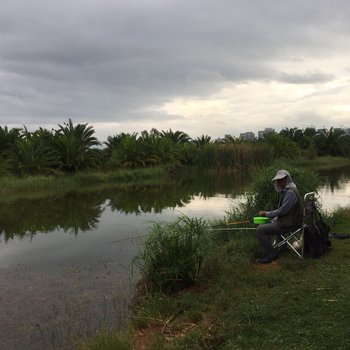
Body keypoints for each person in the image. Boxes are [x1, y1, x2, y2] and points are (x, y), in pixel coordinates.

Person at [256, 169, 303, 264]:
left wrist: (266, 214)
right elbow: (285, 211)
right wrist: (274, 218)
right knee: (273, 222)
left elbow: (282, 210)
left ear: (287, 179)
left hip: (291, 224)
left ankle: (271, 253)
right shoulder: (290, 189)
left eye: (282, 180)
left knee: (260, 229)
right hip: (292, 221)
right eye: (278, 180)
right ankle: (283, 247)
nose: (279, 182)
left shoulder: (290, 192)